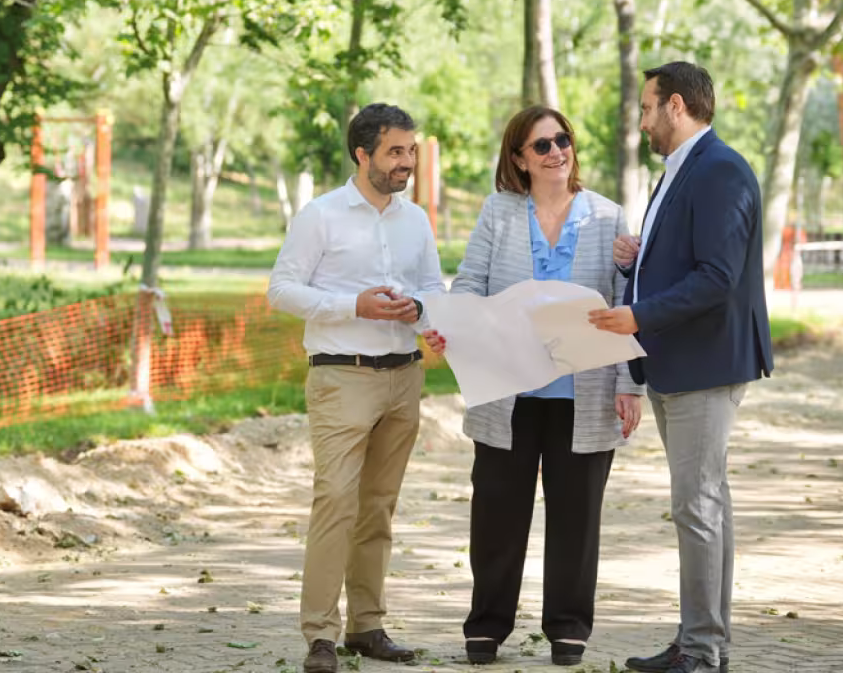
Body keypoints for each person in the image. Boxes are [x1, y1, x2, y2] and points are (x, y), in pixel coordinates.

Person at [423, 105, 644, 667]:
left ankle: (568, 628)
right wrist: (457, 328)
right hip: (508, 393)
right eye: (541, 145)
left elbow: (626, 303)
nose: (556, 152)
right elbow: (471, 282)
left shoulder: (606, 214)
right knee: (497, 512)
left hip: (583, 392)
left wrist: (629, 384)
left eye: (562, 140)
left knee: (576, 516)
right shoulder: (499, 213)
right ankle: (487, 626)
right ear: (519, 159)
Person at [588, 61, 774, 673]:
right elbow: (691, 260)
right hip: (678, 362)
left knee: (697, 508)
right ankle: (701, 643)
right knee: (706, 506)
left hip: (704, 363)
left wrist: (639, 315)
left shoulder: (720, 169)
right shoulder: (680, 171)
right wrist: (636, 260)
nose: (641, 122)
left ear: (674, 106)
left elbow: (718, 278)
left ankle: (701, 649)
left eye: (646, 109)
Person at [267, 102, 445, 673]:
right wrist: (354, 305)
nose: (406, 162)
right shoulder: (320, 215)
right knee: (336, 503)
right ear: (362, 153)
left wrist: (417, 309)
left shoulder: (415, 220)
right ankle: (319, 636)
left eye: (411, 150)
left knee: (378, 508)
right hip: (341, 375)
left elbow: (433, 290)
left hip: (404, 377)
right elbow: (282, 289)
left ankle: (366, 626)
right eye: (395, 151)